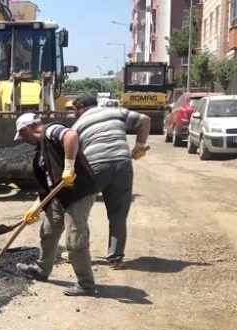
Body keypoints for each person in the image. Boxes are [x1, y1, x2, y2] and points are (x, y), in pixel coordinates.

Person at [13, 113, 99, 296]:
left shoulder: (50, 131)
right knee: (48, 231)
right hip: (60, 196)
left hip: (78, 193)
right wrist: (35, 208)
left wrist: (69, 167)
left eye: (22, 136)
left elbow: (71, 135)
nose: (23, 141)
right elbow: (46, 189)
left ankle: (86, 284)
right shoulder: (41, 153)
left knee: (75, 241)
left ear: (26, 129)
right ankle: (42, 270)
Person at [71, 94, 151, 268]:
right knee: (118, 214)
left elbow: (74, 151)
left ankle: (80, 252)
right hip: (123, 165)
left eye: (73, 110)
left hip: (96, 167)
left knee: (79, 210)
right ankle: (115, 258)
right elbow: (145, 120)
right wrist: (140, 145)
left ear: (79, 108)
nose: (73, 114)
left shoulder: (77, 125)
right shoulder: (116, 112)